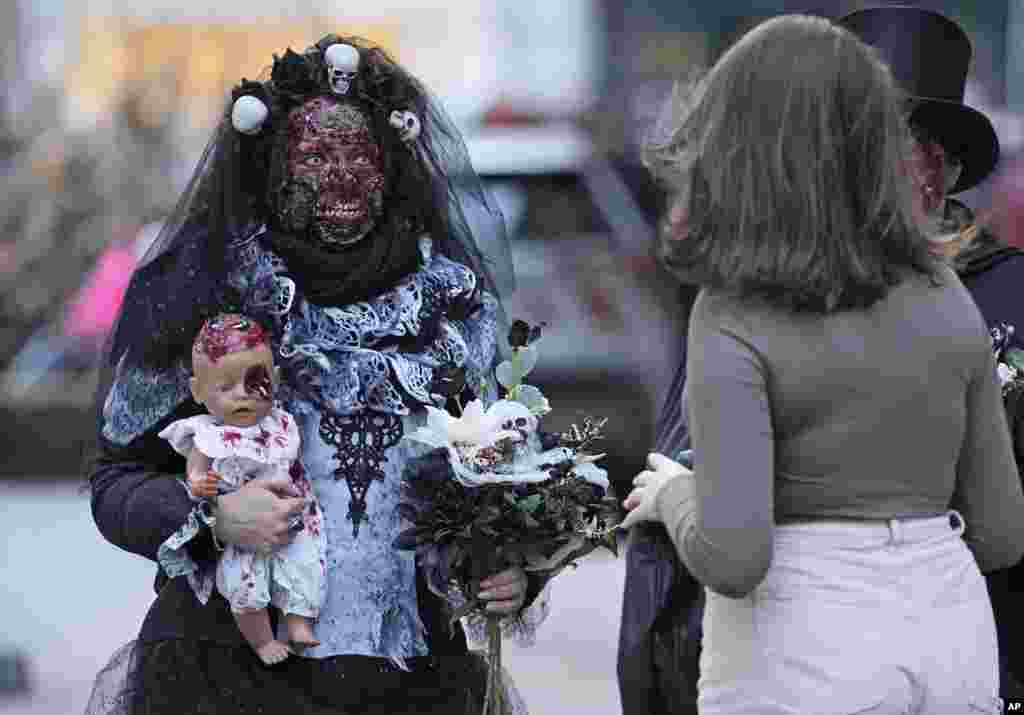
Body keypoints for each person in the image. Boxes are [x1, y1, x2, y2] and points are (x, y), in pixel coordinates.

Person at [84, 34, 540, 715]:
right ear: (273, 169)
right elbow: (116, 478)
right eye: (317, 155)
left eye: (361, 155)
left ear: (393, 169)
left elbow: (493, 486)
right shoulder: (207, 298)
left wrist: (510, 567)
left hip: (412, 688)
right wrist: (212, 516)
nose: (342, 176)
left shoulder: (451, 311)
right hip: (228, 684)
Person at [620, 13, 1024, 714]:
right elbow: (999, 532)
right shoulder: (944, 289)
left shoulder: (732, 311)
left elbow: (735, 556)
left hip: (804, 654)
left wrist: (671, 496)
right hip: (954, 652)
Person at [837, 5, 1024, 699]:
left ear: (942, 170)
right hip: (829, 653)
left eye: (916, 152)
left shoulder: (1011, 291)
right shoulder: (779, 295)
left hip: (989, 649)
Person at [159, 312, 324, 665]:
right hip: (241, 520)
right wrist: (199, 482)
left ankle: (298, 622)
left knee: (305, 563)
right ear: (198, 391)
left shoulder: (280, 421)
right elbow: (196, 467)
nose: (242, 397)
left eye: (255, 383)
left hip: (291, 514)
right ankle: (262, 640)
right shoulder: (209, 434)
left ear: (275, 380)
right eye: (225, 387)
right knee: (245, 584)